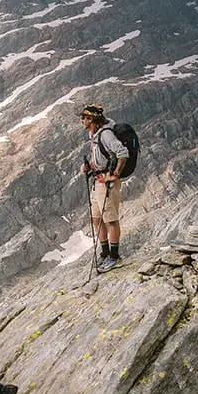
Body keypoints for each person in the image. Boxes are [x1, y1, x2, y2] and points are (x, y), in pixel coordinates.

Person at [78, 103, 127, 273]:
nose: (81, 120)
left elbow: (122, 152)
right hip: (98, 181)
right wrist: (89, 167)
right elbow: (101, 157)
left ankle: (114, 257)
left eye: (83, 117)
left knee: (110, 219)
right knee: (96, 218)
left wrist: (115, 174)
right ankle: (105, 253)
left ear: (91, 119)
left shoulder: (105, 134)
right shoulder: (95, 134)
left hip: (106, 182)